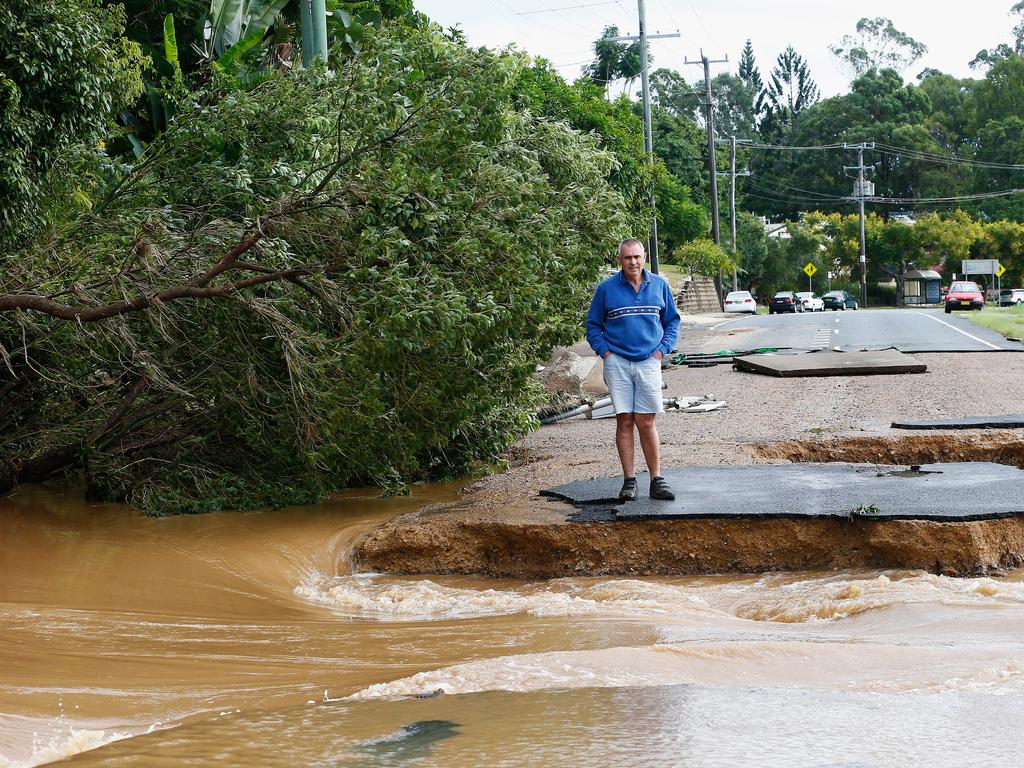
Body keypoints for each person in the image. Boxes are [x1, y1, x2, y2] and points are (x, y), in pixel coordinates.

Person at [585, 238, 680, 501]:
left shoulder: (659, 286)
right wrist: (605, 352)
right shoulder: (606, 289)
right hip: (617, 362)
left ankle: (656, 480)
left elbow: (672, 321)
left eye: (637, 257)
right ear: (619, 261)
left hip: (649, 360)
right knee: (624, 420)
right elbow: (593, 325)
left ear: (645, 257)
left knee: (647, 421)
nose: (633, 262)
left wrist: (663, 349)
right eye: (627, 258)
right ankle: (629, 481)